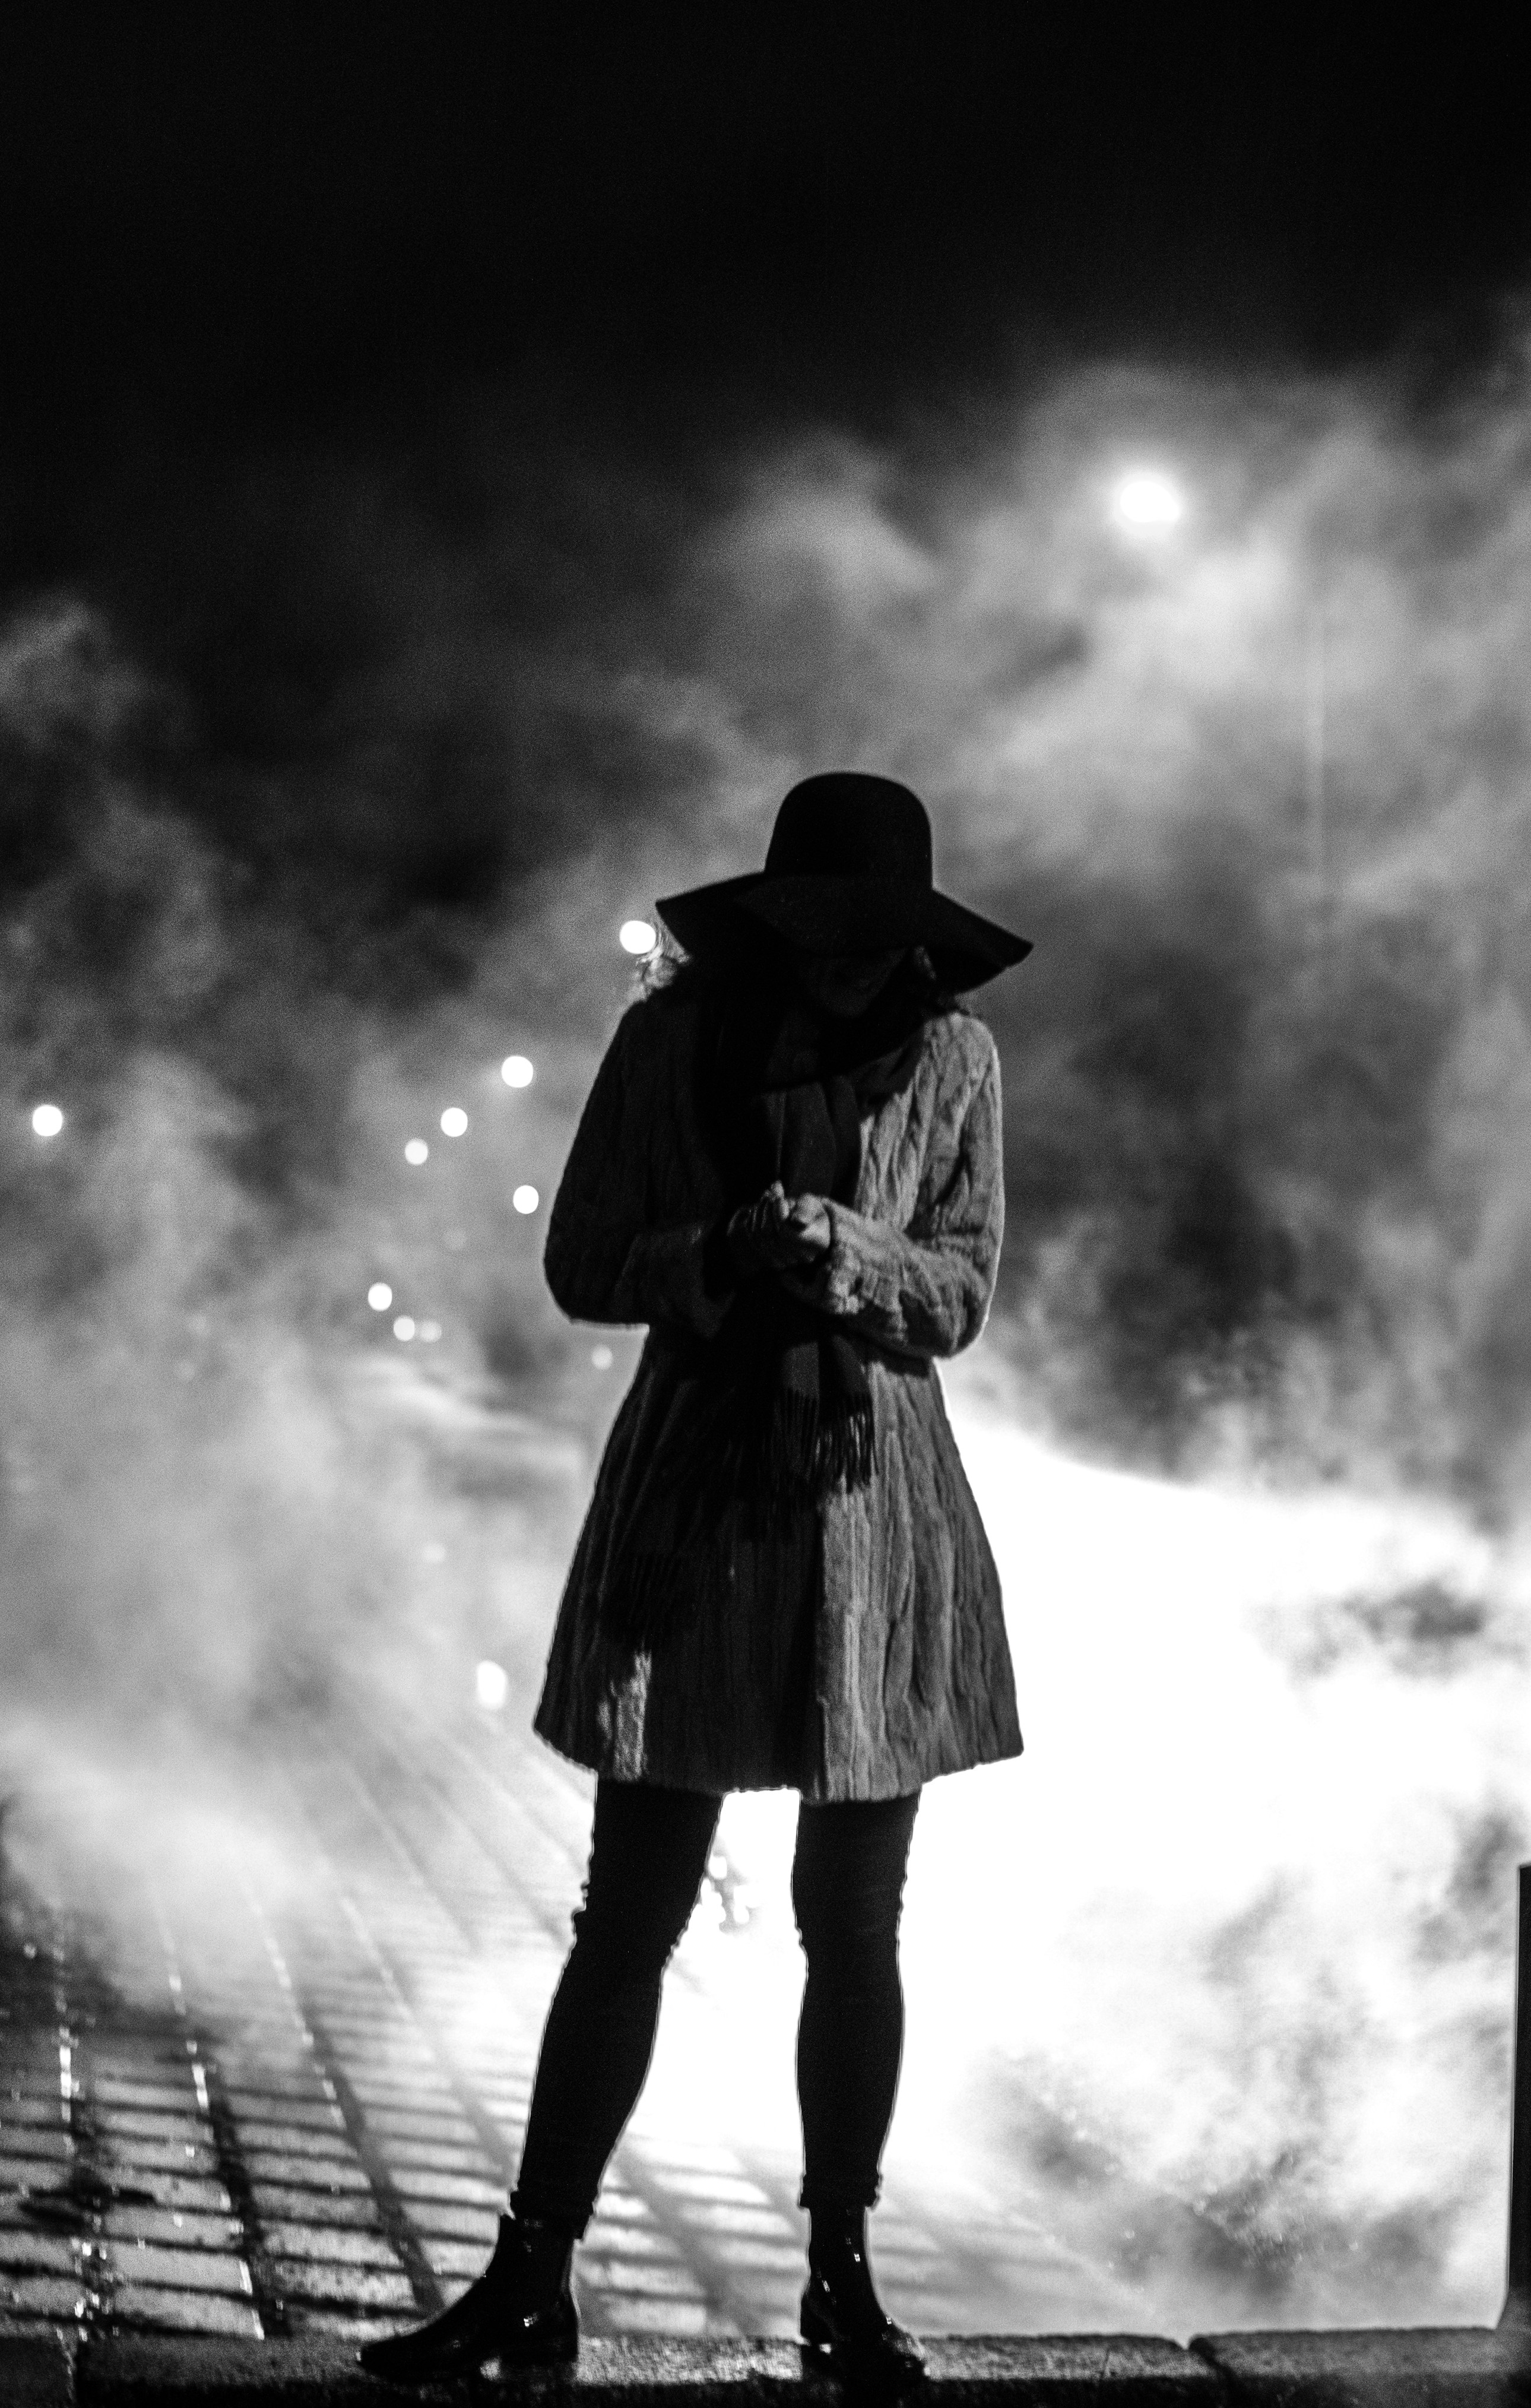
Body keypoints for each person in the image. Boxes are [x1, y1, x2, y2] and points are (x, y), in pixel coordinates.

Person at [360, 771, 1029, 2393]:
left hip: (877, 1515)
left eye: (883, 935)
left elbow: (960, 1290)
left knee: (853, 1924)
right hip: (697, 1502)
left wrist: (851, 1258)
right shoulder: (670, 1042)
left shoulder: (956, 1055)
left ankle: (841, 2280)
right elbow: (587, 1258)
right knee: (628, 1915)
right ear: (783, 918)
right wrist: (725, 1250)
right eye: (831, 929)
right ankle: (531, 2271)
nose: (855, 962)